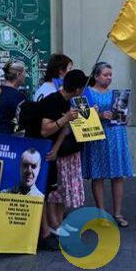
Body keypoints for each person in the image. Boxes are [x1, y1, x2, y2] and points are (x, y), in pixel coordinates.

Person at [36, 69, 86, 248]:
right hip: (40, 150)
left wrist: (56, 149)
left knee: (54, 189)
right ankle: (46, 230)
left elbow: (63, 131)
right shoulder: (53, 101)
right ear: (78, 89)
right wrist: (65, 118)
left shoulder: (67, 102)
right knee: (46, 192)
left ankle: (54, 225)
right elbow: (45, 130)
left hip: (52, 151)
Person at [81, 63, 134, 227]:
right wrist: (98, 113)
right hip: (97, 137)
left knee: (117, 175)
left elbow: (124, 116)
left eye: (111, 74)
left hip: (116, 136)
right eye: (105, 74)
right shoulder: (87, 92)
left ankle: (117, 213)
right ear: (96, 76)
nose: (109, 77)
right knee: (98, 176)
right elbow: (81, 116)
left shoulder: (116, 94)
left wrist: (125, 116)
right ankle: (101, 213)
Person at [0, 60, 28, 134]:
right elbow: (23, 122)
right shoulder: (19, 97)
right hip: (9, 138)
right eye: (24, 73)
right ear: (18, 74)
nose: (25, 75)